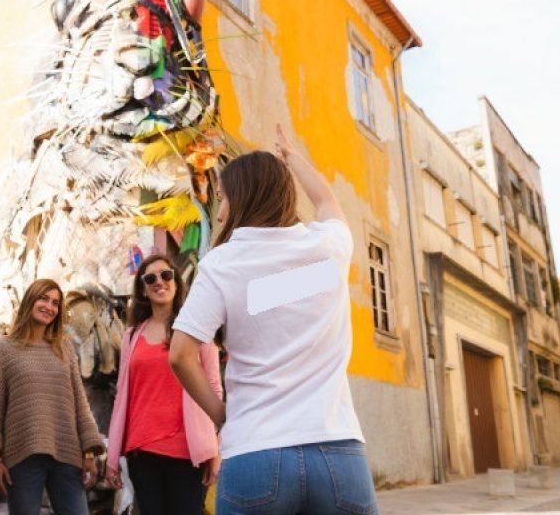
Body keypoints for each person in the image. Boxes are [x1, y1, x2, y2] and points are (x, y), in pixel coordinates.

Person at [169, 124, 379, 515]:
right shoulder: (327, 249)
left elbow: (180, 353)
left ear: (240, 200)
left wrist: (220, 414)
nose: (221, 208)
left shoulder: (223, 263)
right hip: (337, 450)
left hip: (255, 451)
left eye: (224, 198)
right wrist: (292, 157)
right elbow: (328, 201)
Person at [104, 254, 221, 514]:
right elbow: (124, 394)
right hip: (142, 451)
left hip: (187, 450)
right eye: (150, 278)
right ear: (143, 290)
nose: (160, 282)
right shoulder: (131, 336)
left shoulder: (197, 331)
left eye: (166, 275)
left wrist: (216, 448)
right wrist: (113, 456)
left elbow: (213, 387)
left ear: (176, 283)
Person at [0, 279, 105, 515]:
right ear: (30, 301)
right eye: (43, 299)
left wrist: (88, 452)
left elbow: (80, 401)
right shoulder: (3, 348)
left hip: (66, 453)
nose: (49, 306)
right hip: (22, 454)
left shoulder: (65, 348)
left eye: (55, 303)